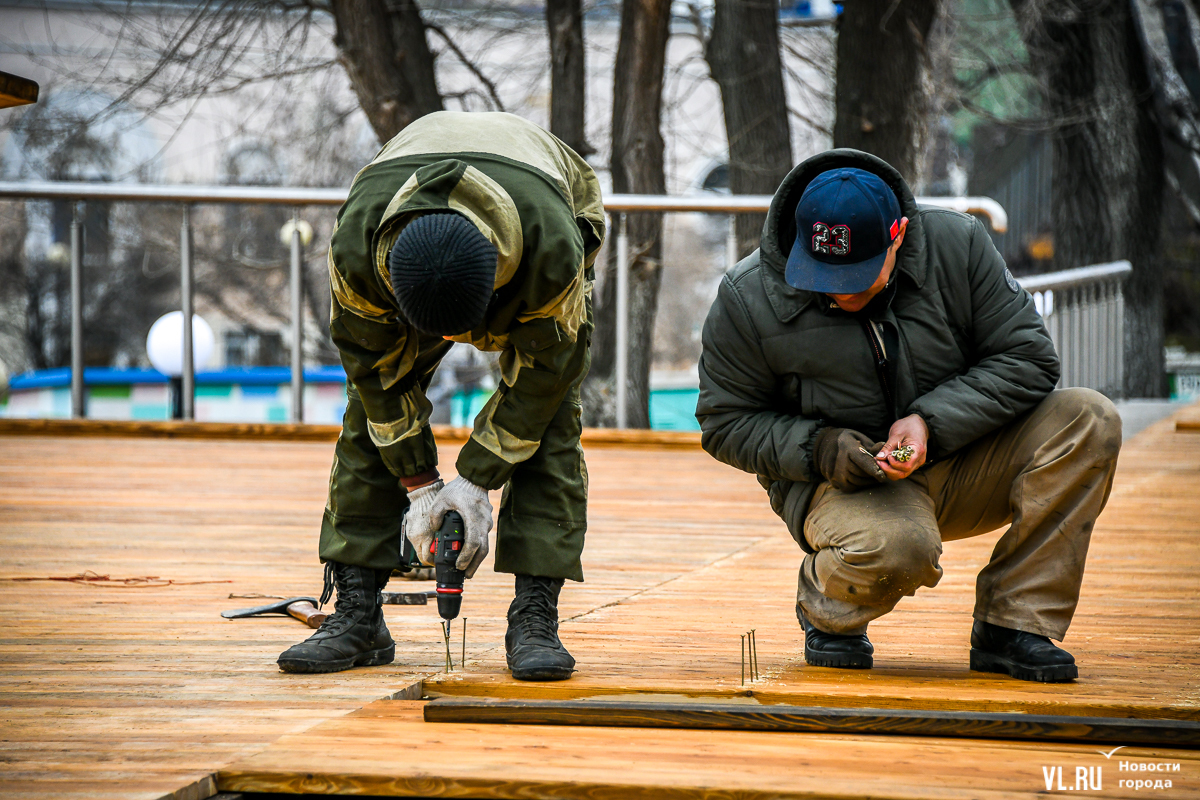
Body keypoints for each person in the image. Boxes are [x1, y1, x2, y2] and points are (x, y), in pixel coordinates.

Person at [696, 149, 1121, 682]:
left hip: (962, 453)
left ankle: (1013, 623)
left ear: (897, 234)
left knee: (1089, 418)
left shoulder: (959, 246)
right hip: (843, 483)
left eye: (858, 274)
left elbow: (1029, 358)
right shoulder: (746, 295)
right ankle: (826, 608)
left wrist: (929, 423)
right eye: (823, 273)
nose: (841, 290)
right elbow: (725, 422)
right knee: (900, 548)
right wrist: (822, 449)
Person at [277, 111, 604, 681]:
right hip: (401, 213)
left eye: (462, 333)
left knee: (546, 416)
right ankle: (357, 611)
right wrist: (419, 485)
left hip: (546, 200)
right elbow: (378, 378)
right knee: (369, 414)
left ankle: (535, 614)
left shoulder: (551, 254)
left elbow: (543, 376)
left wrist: (476, 479)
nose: (451, 345)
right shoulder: (358, 249)